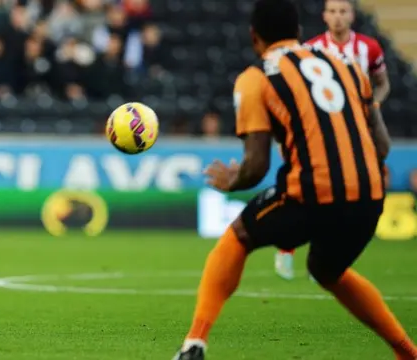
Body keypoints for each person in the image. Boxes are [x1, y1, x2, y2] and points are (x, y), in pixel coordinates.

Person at [173, 0, 417, 359]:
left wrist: (234, 181)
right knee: (327, 270)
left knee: (239, 236)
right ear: (300, 33)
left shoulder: (255, 78)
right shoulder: (347, 65)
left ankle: (194, 342)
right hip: (369, 194)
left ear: (254, 37)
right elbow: (381, 145)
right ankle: (407, 352)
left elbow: (256, 166)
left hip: (313, 192)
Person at [275, 0, 392, 279]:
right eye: (333, 12)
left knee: (359, 183)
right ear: (324, 16)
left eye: (343, 11)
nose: (338, 17)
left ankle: (328, 254)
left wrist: (372, 105)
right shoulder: (312, 49)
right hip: (326, 129)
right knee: (311, 183)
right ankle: (287, 248)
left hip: (361, 127)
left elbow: (383, 83)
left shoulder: (369, 48)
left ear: (352, 15)